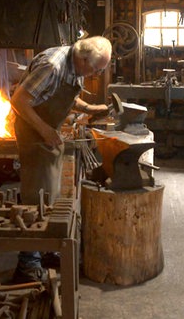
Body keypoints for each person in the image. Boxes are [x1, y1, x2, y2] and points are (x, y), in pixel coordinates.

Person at [9, 35, 112, 283]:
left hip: (47, 131)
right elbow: (18, 101)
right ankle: (27, 264)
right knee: (36, 197)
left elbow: (63, 95)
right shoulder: (52, 67)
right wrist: (45, 130)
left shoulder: (74, 63)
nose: (95, 74)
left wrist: (90, 109)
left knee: (51, 194)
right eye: (96, 69)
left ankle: (44, 249)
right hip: (34, 132)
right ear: (84, 58)